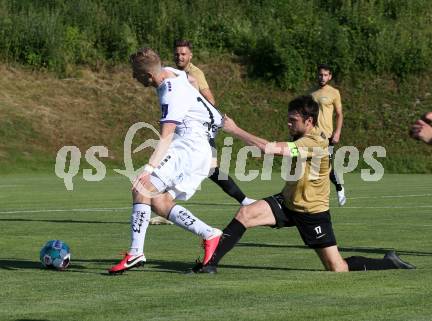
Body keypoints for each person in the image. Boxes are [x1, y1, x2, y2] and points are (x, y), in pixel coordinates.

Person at [192, 95, 415, 274]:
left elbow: (270, 149)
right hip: (287, 203)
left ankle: (389, 263)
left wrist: (235, 129)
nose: (289, 124)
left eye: (293, 120)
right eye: (288, 119)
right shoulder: (302, 138)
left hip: (312, 212)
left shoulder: (314, 142)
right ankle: (209, 265)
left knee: (337, 268)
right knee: (245, 214)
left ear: (309, 122)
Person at [108, 47, 223, 274]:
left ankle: (135, 253)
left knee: (142, 187)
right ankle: (209, 234)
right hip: (197, 146)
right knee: (160, 203)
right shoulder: (171, 72)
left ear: (148, 76)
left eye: (135, 74)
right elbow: (189, 78)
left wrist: (148, 169)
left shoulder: (168, 92)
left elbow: (166, 136)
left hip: (188, 146)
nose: (134, 77)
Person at [174, 39, 255, 206]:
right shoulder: (174, 73)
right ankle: (166, 206)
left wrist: (194, 109)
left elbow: (210, 100)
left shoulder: (194, 74)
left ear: (190, 55)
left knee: (209, 169)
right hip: (183, 128)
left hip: (198, 129)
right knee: (181, 164)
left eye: (183, 54)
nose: (179, 57)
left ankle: (244, 200)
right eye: (177, 54)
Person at [310, 64, 346, 206]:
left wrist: (337, 132)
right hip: (312, 136)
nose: (322, 77)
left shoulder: (334, 92)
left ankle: (339, 187)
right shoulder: (310, 93)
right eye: (320, 74)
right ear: (317, 75)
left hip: (328, 137)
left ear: (330, 76)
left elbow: (339, 114)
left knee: (327, 167)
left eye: (325, 75)